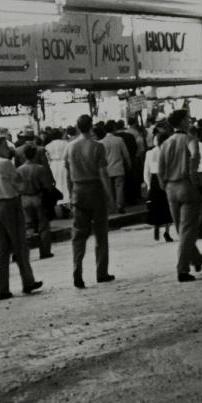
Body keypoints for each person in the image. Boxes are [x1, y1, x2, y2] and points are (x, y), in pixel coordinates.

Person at [0, 137, 43, 299]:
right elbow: (19, 183)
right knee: (19, 245)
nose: (7, 149)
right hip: (8, 204)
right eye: (4, 146)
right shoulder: (4, 163)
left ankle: (3, 289)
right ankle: (28, 281)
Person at [162, 109, 202, 281]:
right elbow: (194, 155)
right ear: (183, 122)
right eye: (187, 118)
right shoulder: (189, 139)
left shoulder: (165, 143)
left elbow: (160, 169)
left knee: (181, 228)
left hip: (171, 188)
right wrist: (192, 172)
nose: (190, 120)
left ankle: (196, 258)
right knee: (187, 230)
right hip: (186, 186)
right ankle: (182, 269)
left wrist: (165, 184)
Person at [64, 115, 115, 288]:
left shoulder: (70, 147)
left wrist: (71, 195)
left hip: (78, 191)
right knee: (101, 233)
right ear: (91, 126)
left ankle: (77, 269)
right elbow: (103, 173)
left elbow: (68, 175)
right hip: (95, 190)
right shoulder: (97, 146)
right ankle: (101, 272)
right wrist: (110, 196)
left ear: (77, 127)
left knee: (78, 235)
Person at [17, 143, 57, 260]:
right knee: (43, 226)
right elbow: (47, 186)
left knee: (28, 226)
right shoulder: (40, 169)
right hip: (38, 198)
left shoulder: (18, 170)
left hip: (24, 198)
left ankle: (25, 252)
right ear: (35, 155)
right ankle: (45, 251)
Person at [143, 130, 174, 242]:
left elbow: (146, 171)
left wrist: (148, 185)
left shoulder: (149, 153)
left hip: (154, 181)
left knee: (156, 207)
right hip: (166, 179)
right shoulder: (168, 152)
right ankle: (167, 231)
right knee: (167, 208)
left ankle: (156, 225)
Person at [100, 121, 131, 214]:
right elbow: (126, 154)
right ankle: (120, 205)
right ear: (114, 129)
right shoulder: (119, 140)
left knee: (109, 189)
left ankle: (111, 207)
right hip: (118, 167)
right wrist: (129, 164)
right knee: (119, 187)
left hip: (107, 169)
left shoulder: (101, 142)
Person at [45, 128, 72, 216]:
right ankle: (67, 204)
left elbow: (48, 158)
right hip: (63, 164)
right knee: (65, 184)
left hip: (53, 165)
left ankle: (59, 204)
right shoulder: (66, 143)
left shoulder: (48, 146)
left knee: (57, 185)